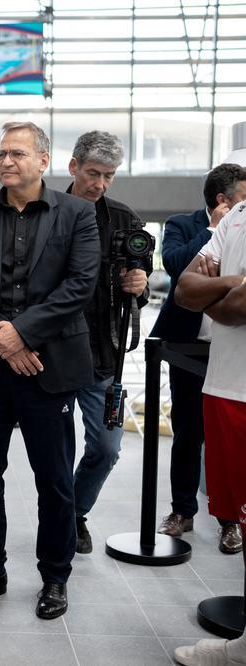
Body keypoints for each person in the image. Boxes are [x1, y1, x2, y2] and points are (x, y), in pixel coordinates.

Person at [0, 121, 99, 620]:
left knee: (53, 480)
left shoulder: (77, 214)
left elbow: (79, 285)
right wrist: (6, 340)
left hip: (48, 368)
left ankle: (55, 576)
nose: (7, 161)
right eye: (1, 154)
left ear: (44, 159)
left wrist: (23, 333)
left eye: (17, 153)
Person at [148, 162, 246, 554]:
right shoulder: (182, 224)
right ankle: (182, 510)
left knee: (223, 443)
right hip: (185, 345)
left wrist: (213, 284)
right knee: (187, 430)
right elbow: (177, 273)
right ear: (223, 199)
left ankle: (229, 522)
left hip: (224, 349)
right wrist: (213, 235)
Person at [64, 131, 150, 555]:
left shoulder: (124, 219)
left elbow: (142, 278)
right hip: (54, 357)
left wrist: (140, 283)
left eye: (109, 176)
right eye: (93, 173)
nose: (100, 183)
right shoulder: (48, 213)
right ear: (73, 167)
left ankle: (74, 512)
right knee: (55, 454)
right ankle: (62, 520)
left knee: (106, 447)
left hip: (104, 357)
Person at [171, 204, 246, 663]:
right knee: (240, 512)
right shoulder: (238, 212)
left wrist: (218, 293)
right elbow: (184, 290)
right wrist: (234, 283)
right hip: (225, 386)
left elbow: (234, 310)